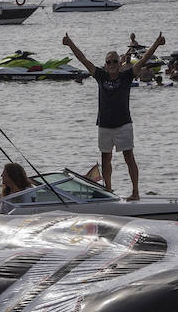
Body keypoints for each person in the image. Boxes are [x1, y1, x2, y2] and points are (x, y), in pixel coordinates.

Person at [62, 31, 164, 201]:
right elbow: (84, 60)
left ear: (120, 62)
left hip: (123, 124)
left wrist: (157, 43)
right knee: (105, 159)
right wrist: (70, 43)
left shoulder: (126, 76)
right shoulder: (101, 76)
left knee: (128, 157)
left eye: (115, 61)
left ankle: (135, 192)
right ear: (106, 64)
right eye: (109, 62)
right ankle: (108, 190)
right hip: (104, 125)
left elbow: (144, 59)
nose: (112, 64)